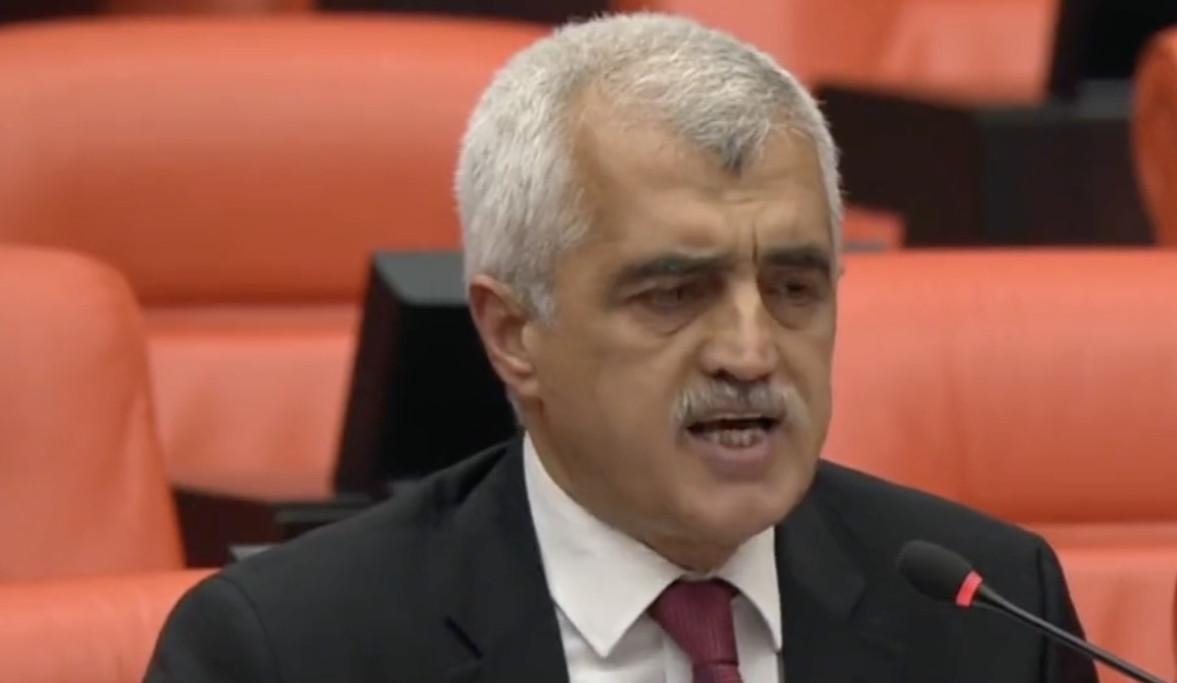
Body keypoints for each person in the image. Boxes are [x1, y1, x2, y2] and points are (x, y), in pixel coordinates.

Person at [145, 14, 1098, 683]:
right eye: (674, 293)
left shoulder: (986, 615)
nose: (750, 351)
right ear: (513, 333)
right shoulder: (291, 651)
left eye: (794, 288)